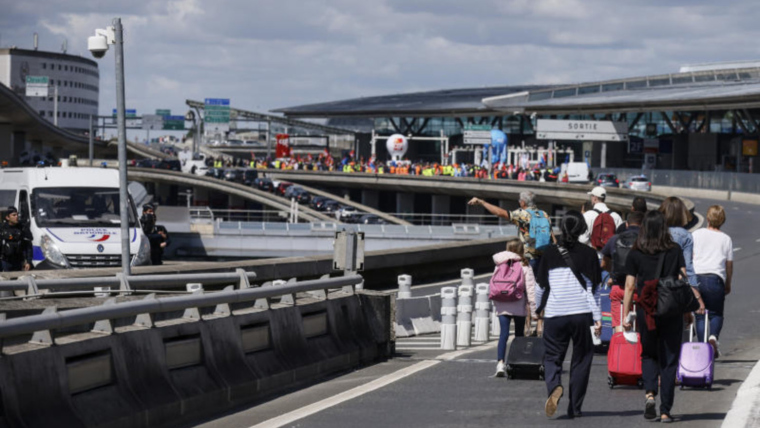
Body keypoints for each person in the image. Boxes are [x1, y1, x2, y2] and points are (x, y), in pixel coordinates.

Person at [622, 210, 705, 422]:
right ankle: (666, 410)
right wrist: (687, 311)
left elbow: (630, 285)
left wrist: (625, 315)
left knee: (649, 353)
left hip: (646, 309)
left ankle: (650, 393)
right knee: (669, 359)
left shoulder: (636, 252)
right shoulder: (674, 249)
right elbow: (681, 280)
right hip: (670, 308)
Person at [535, 211, 601, 419]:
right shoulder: (590, 254)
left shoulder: (548, 253)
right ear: (582, 229)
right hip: (582, 313)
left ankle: (554, 385)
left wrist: (539, 310)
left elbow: (540, 287)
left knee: (553, 356)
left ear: (562, 228)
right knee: (581, 359)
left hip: (556, 313)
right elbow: (595, 290)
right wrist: (598, 318)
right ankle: (575, 407)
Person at [468, 191, 556, 271]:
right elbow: (553, 237)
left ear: (523, 202)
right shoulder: (544, 214)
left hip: (530, 257)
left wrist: (482, 202)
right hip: (545, 256)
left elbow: (499, 213)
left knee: (528, 284)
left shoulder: (522, 214)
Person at [692, 205, 733, 358]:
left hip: (697, 278)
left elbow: (691, 257)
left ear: (707, 218)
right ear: (722, 220)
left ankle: (703, 347)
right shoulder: (726, 239)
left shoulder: (697, 234)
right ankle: (713, 337)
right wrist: (727, 283)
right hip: (716, 279)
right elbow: (728, 264)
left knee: (700, 314)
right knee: (716, 314)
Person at [493, 239, 537, 377]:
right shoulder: (524, 265)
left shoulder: (499, 264)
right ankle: (516, 363)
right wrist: (535, 311)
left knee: (503, 335)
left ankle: (500, 363)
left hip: (502, 303)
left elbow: (495, 284)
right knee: (519, 336)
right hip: (518, 303)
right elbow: (530, 290)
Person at [601, 211, 643, 332]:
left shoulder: (614, 239)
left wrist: (613, 272)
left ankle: (621, 347)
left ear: (626, 224)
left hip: (618, 288)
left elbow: (604, 263)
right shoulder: (646, 240)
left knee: (619, 325)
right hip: (638, 289)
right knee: (637, 328)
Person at [659, 197, 697, 286]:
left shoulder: (656, 231)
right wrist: (694, 287)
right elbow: (688, 266)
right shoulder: (685, 235)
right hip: (674, 284)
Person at [0, 206, 33, 272]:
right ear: (7, 217)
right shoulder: (2, 228)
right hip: (5, 261)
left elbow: (28, 246)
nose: (16, 217)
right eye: (14, 215)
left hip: (19, 262)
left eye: (17, 214)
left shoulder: (22, 228)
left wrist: (28, 262)